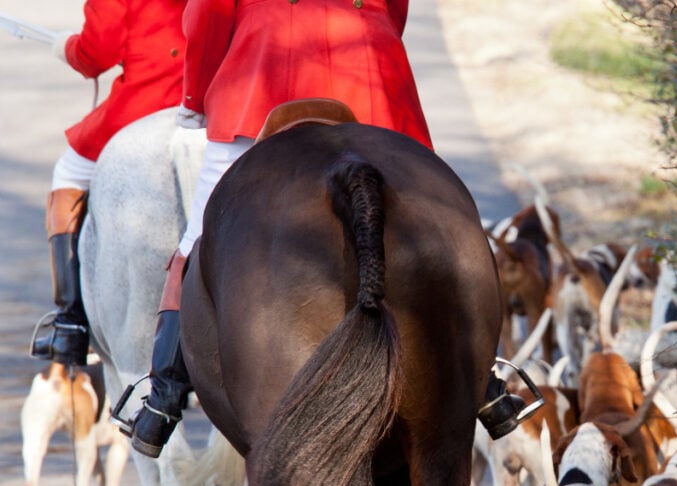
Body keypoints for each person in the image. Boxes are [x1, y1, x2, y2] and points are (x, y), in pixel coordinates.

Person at [127, 0, 434, 458]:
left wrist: (195, 99)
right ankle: (482, 376)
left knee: (195, 240)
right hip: (368, 66)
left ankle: (165, 399)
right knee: (432, 221)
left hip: (261, 76)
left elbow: (208, 13)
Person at [30, 0, 187, 367]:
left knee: (67, 173)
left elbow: (96, 52)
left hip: (144, 104)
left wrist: (67, 47)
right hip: (209, 107)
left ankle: (71, 323)